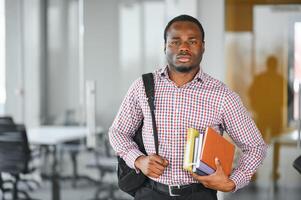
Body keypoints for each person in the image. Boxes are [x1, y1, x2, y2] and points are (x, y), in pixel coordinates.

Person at [109, 14, 267, 200]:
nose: (183, 47)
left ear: (203, 46)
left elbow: (256, 147)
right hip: (150, 192)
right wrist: (138, 160)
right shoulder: (143, 86)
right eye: (175, 41)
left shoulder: (222, 96)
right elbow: (118, 132)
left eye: (192, 41)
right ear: (165, 46)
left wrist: (232, 182)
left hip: (199, 195)